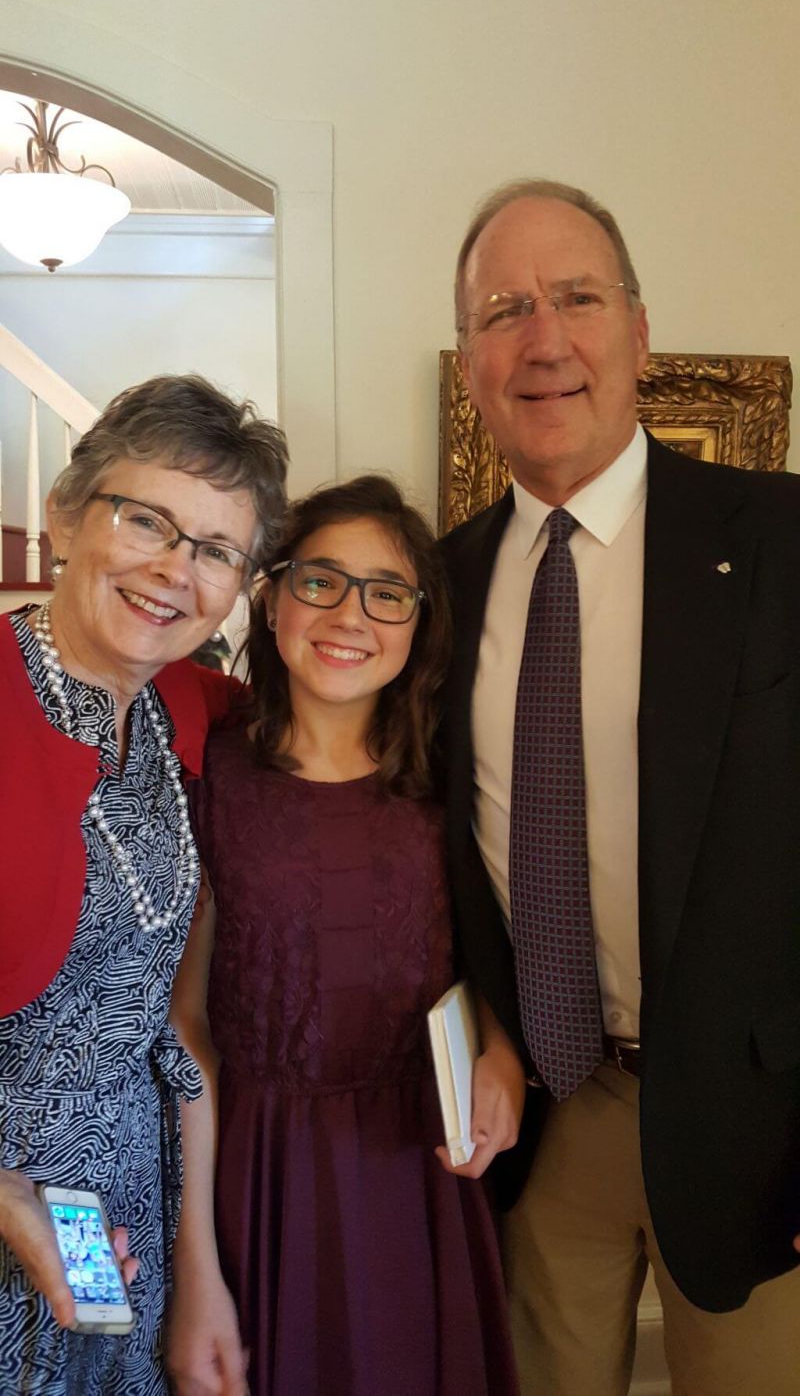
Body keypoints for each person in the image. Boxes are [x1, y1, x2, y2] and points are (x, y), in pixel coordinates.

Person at [440, 179, 800, 1395]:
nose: (543, 339)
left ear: (639, 335)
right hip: (544, 1119)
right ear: (469, 359)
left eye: (576, 298)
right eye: (504, 310)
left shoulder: (780, 542)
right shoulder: (428, 591)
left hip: (762, 1125)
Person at [168, 474, 524, 1396]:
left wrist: (499, 1047)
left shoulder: (452, 780)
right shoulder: (210, 774)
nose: (351, 614)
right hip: (260, 1168)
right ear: (273, 594)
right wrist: (197, 1258)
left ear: (419, 625)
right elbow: (187, 1029)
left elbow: (491, 948)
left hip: (420, 1170)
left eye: (387, 592)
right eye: (321, 579)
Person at [0, 373, 287, 1395]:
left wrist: (200, 1273)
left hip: (124, 1208)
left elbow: (180, 1025)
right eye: (147, 521)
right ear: (67, 515)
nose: (175, 570)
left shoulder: (194, 711)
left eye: (215, 550)